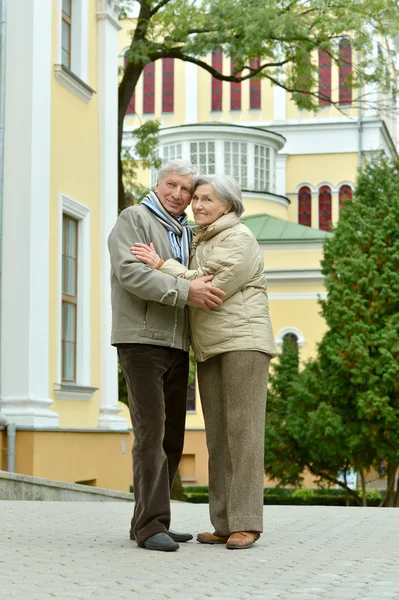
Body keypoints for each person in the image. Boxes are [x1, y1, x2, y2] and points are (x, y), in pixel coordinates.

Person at [132, 174, 277, 550]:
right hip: (211, 347)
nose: (196, 204)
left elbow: (210, 286)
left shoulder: (239, 237)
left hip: (243, 343)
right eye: (195, 198)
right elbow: (197, 280)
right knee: (218, 437)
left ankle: (248, 522)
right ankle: (225, 522)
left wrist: (163, 265)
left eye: (206, 199)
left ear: (228, 205)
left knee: (243, 434)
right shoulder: (204, 238)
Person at [108, 160, 225, 552]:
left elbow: (189, 275)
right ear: (158, 184)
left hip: (178, 342)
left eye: (186, 190)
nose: (178, 194)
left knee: (172, 436)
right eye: (171, 185)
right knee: (151, 434)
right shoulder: (135, 219)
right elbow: (130, 273)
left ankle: (150, 519)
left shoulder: (185, 233)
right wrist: (184, 292)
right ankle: (150, 526)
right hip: (140, 339)